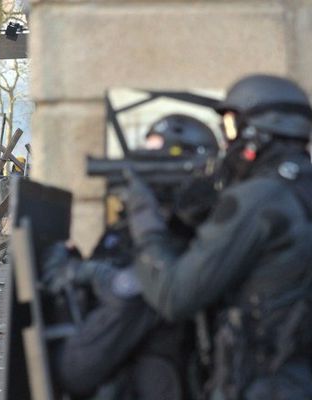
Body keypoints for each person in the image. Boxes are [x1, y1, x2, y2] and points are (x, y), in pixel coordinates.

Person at [126, 75, 312, 399]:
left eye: (230, 127)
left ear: (254, 132)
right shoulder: (298, 189)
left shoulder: (257, 199)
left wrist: (146, 224)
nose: (228, 143)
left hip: (264, 382)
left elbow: (175, 295)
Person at [47, 114, 220, 400]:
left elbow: (76, 370)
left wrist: (76, 272)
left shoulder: (165, 251)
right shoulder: (144, 235)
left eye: (152, 158)